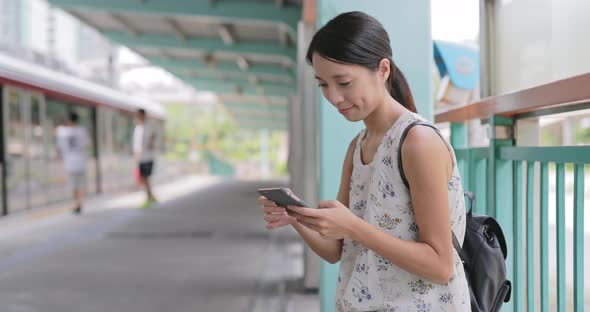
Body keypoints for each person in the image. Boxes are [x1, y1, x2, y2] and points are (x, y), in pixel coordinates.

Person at [259, 11, 470, 311]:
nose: (333, 97)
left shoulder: (417, 142)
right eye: (323, 85)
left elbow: (440, 265)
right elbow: (336, 250)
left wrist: (353, 226)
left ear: (382, 70)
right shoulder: (357, 147)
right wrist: (296, 216)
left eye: (343, 82)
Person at [57, 112, 89, 214]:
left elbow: (61, 147)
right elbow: (86, 143)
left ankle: (77, 204)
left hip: (70, 162)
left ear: (68, 120)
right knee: (81, 184)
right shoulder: (81, 131)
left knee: (74, 185)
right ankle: (80, 203)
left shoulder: (62, 132)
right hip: (81, 161)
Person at [133, 108, 157, 207]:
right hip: (146, 157)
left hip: (145, 157)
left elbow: (140, 145)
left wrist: (137, 158)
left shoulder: (142, 128)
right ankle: (150, 196)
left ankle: (149, 197)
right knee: (145, 178)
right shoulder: (142, 128)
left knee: (144, 178)